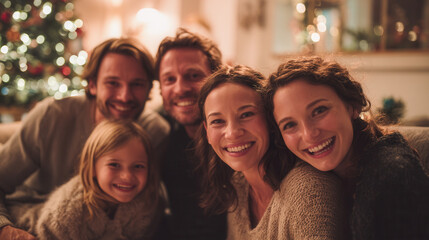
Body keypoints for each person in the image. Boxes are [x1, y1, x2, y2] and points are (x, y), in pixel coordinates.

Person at [0, 38, 169, 239]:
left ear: (149, 89)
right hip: (30, 220)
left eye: (137, 84)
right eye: (112, 83)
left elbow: (148, 204)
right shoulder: (52, 116)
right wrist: (6, 229)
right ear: (92, 85)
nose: (125, 96)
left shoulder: (155, 132)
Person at [265, 56, 429, 239]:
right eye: (289, 125)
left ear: (352, 106)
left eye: (319, 111)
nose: (309, 134)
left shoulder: (391, 174)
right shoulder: (313, 176)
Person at [196, 65, 347, 239]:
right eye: (217, 121)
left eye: (246, 114)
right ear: (207, 131)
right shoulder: (238, 185)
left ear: (271, 120)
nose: (232, 133)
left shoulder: (308, 188)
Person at [10, 120, 163, 239]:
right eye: (114, 165)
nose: (127, 176)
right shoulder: (66, 213)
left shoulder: (148, 204)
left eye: (138, 166)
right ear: (92, 168)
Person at [154, 28, 226, 239]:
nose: (180, 89)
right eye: (169, 79)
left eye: (193, 76)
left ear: (217, 78)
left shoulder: (241, 138)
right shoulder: (162, 138)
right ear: (160, 90)